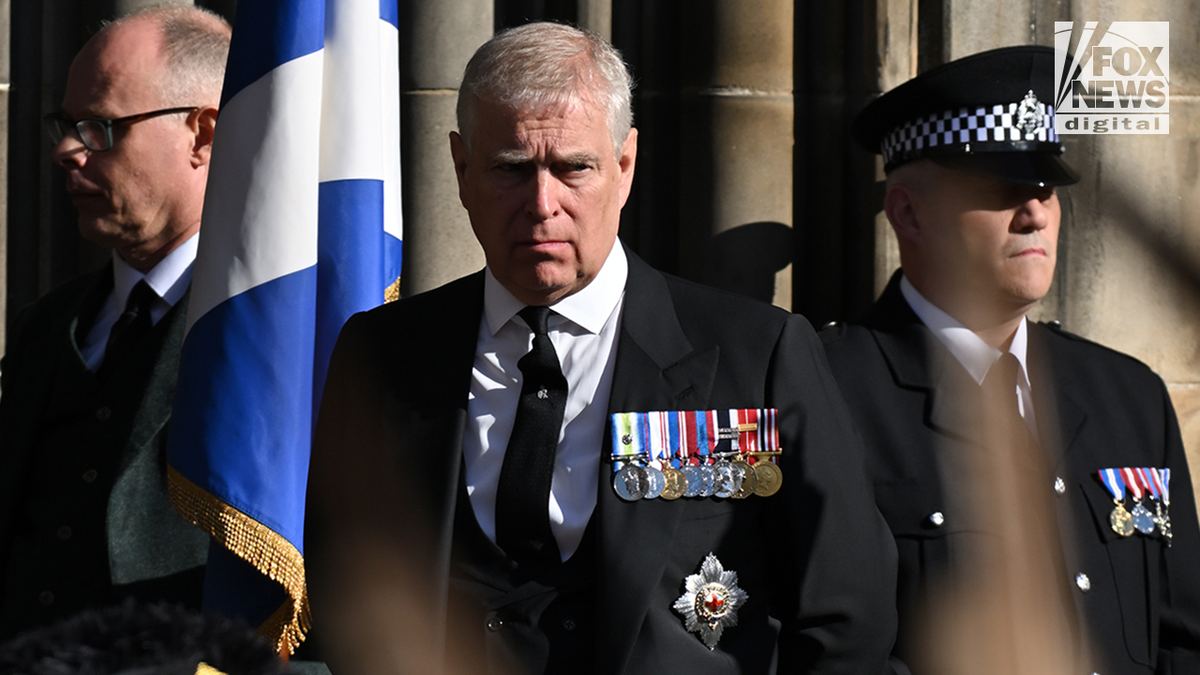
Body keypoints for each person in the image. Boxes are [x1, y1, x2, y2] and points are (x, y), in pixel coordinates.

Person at [306, 21, 896, 675]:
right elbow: (343, 594)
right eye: (511, 169)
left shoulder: (758, 354)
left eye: (572, 168)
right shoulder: (382, 355)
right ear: (460, 167)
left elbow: (847, 618)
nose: (542, 204)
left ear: (624, 165)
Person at [822, 45, 1200, 674]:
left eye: (1046, 190)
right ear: (908, 213)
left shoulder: (1127, 396)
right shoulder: (828, 389)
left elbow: (1184, 636)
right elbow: (821, 640)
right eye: (1002, 190)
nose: (1034, 214)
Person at [0, 6, 231, 641]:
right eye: (66, 125)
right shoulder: (46, 327)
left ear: (202, 134)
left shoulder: (272, 331)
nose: (66, 151)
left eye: (101, 127)